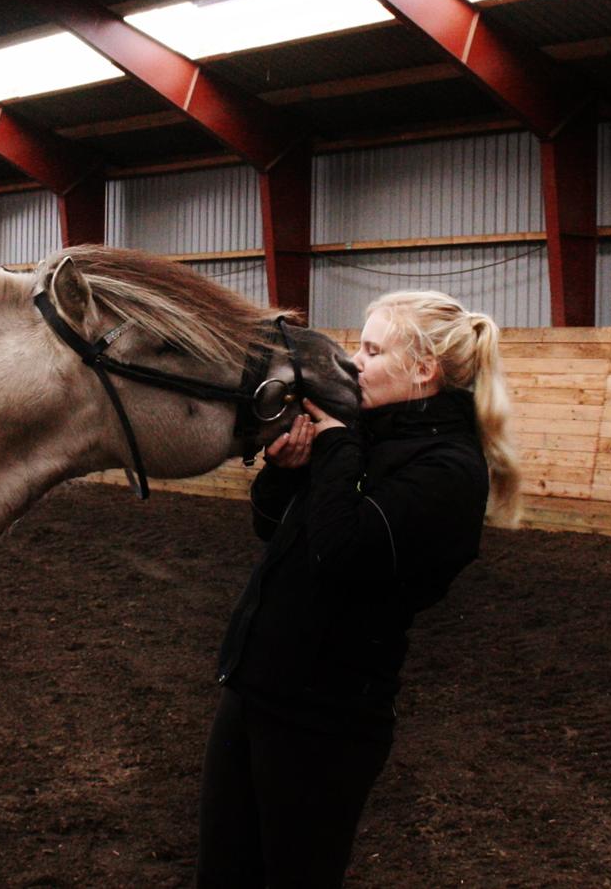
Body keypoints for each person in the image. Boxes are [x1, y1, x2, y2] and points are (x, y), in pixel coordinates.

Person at [197, 290, 522, 887]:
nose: (354, 364)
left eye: (372, 351)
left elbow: (339, 555)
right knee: (223, 873)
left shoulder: (447, 470)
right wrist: (285, 470)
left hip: (324, 720)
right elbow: (277, 533)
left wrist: (337, 444)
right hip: (255, 688)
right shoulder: (369, 438)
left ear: (423, 368)